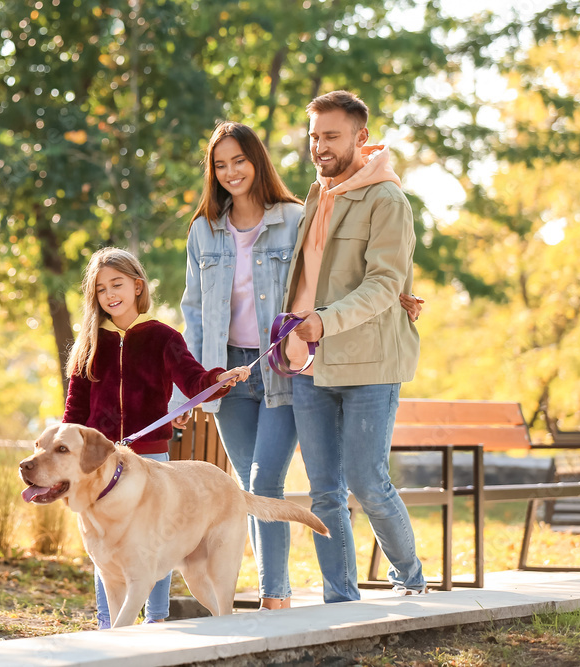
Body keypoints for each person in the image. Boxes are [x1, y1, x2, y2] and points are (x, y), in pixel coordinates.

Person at [176, 121, 423, 611]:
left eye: (239, 162)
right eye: (220, 165)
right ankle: (279, 593)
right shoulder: (204, 230)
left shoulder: (294, 216)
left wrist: (401, 295)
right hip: (227, 374)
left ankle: (275, 597)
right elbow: (193, 311)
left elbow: (330, 274)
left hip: (283, 367)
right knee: (249, 485)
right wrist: (191, 387)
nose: (230, 173)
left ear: (258, 162)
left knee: (268, 479)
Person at [284, 90, 427, 602]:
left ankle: (409, 577)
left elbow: (385, 282)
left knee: (367, 481)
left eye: (331, 136)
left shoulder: (387, 199)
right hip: (307, 364)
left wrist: (326, 321)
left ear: (360, 138)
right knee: (324, 490)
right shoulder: (315, 194)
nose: (319, 146)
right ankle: (339, 598)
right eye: (314, 136)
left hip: (368, 359)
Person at [62, 246, 251, 628]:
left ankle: (157, 620)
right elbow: (74, 414)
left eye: (117, 284)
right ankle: (107, 626)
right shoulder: (89, 345)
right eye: (100, 289)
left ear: (137, 286)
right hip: (98, 466)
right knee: (104, 547)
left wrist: (218, 379)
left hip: (149, 461)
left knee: (155, 542)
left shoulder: (163, 338)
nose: (110, 294)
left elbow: (194, 380)